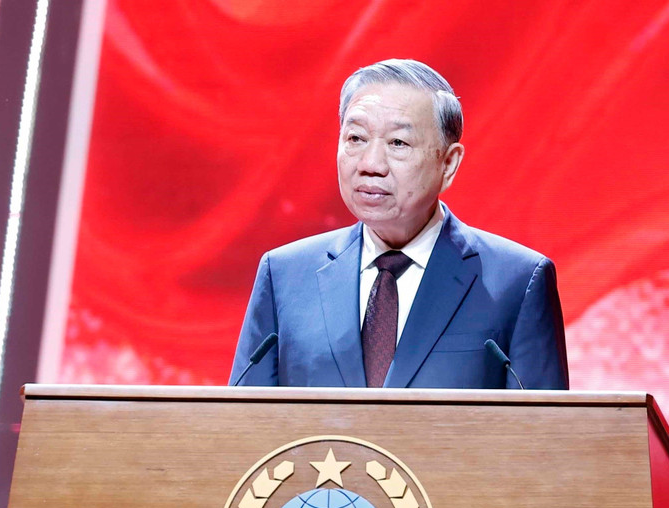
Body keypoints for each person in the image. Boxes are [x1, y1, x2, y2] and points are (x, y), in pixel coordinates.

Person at [229, 59, 568, 389]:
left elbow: (543, 438)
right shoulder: (285, 275)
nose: (371, 164)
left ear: (448, 163)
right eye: (356, 139)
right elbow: (245, 426)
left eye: (398, 143)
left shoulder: (516, 282)